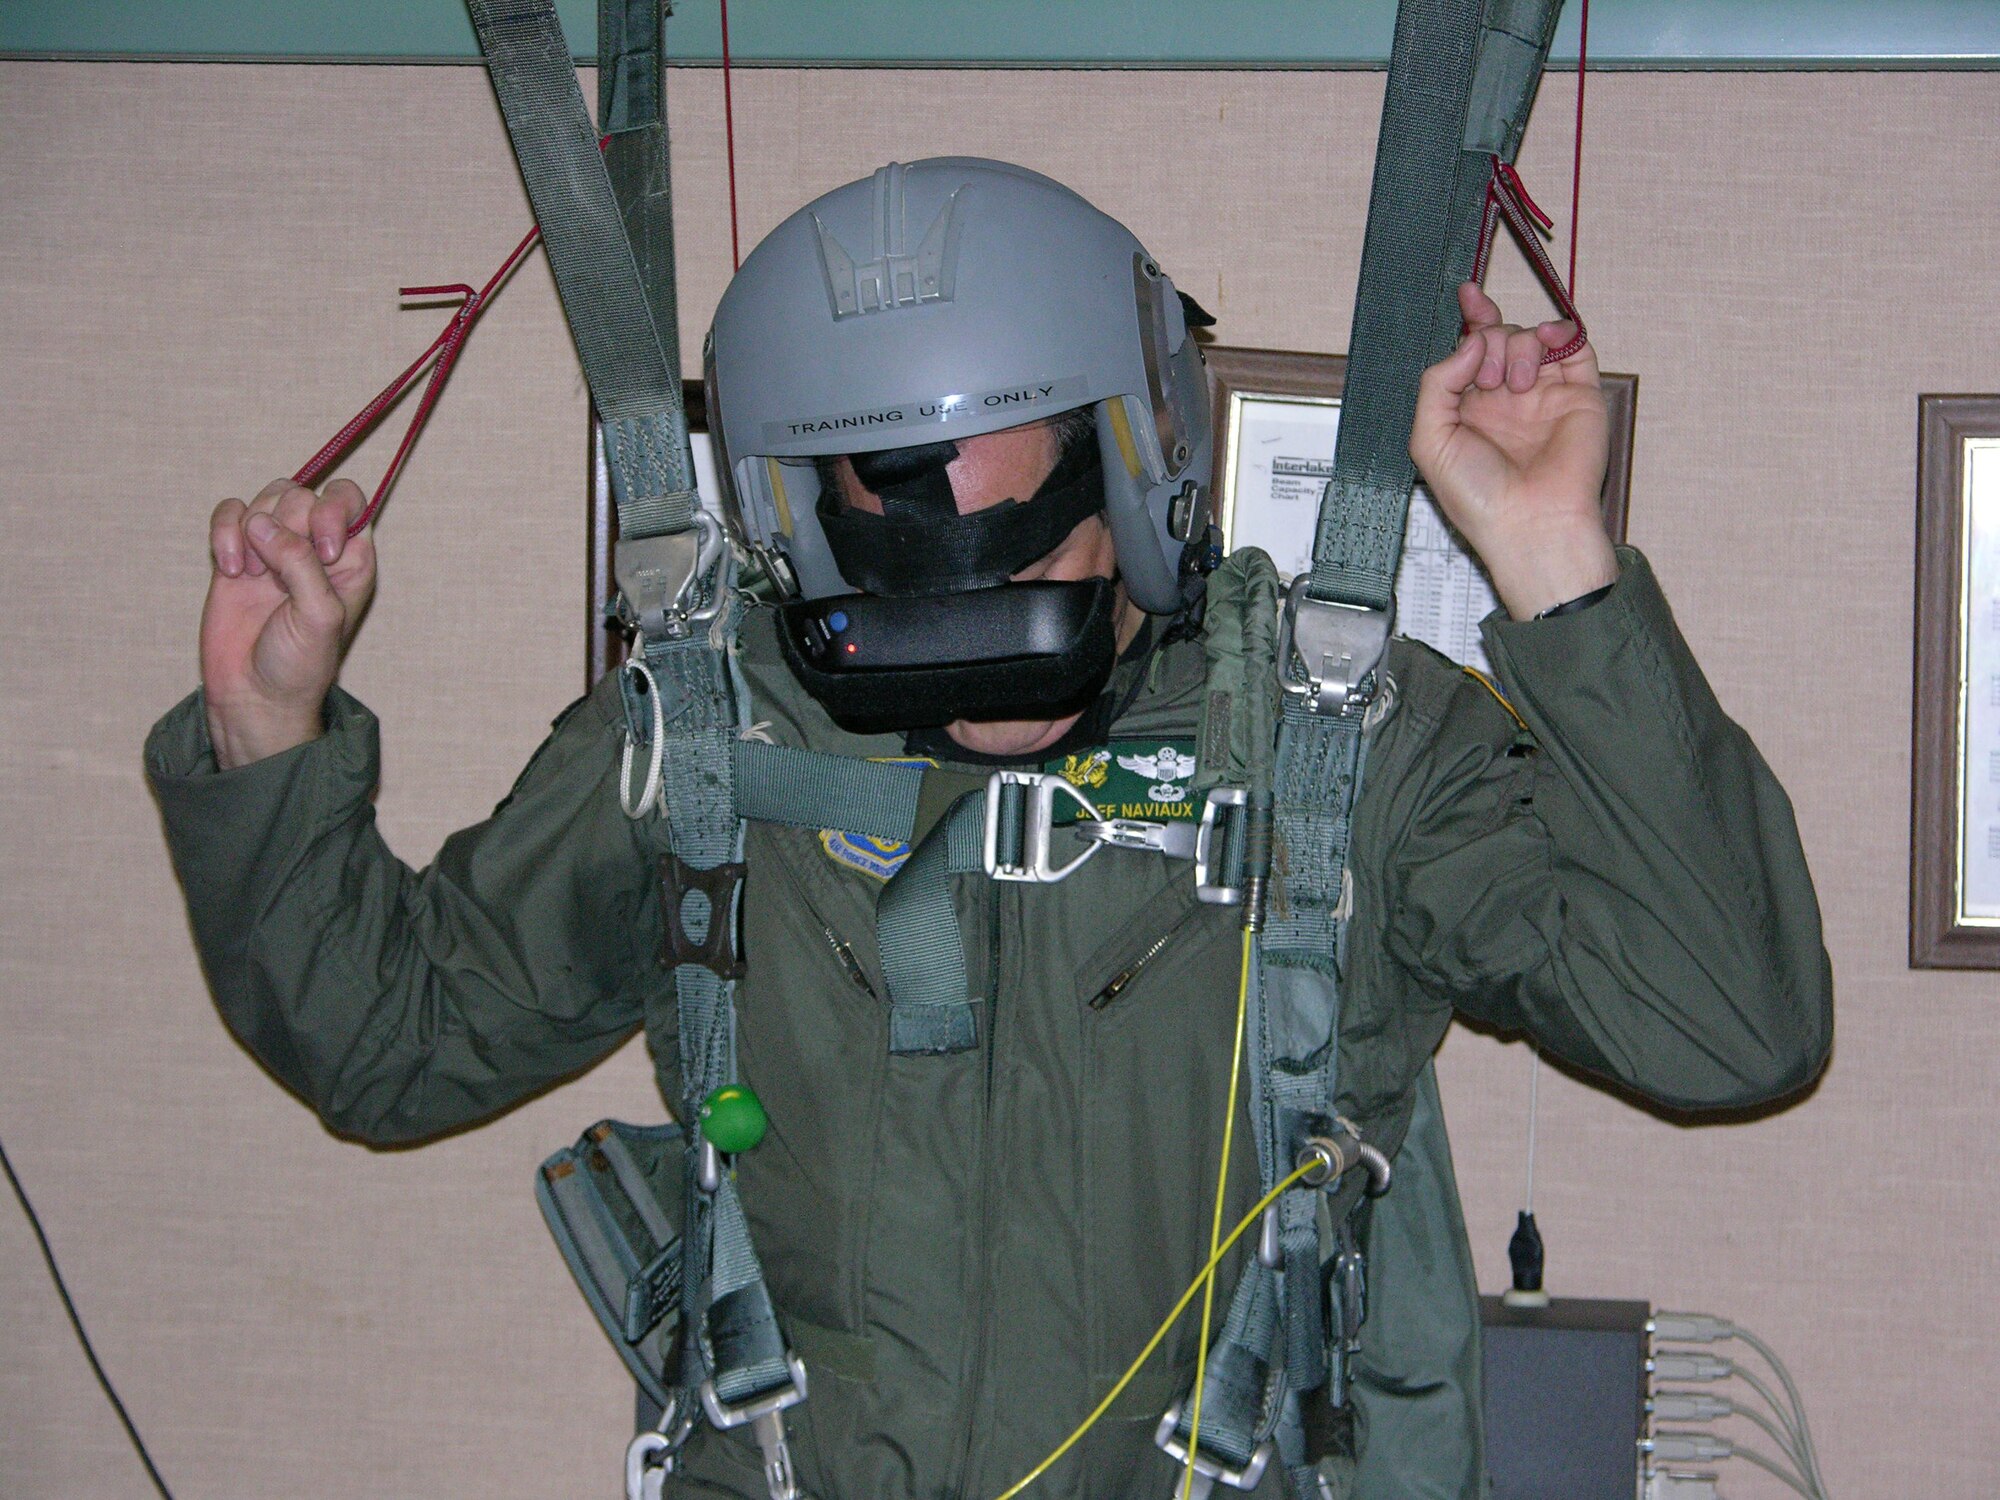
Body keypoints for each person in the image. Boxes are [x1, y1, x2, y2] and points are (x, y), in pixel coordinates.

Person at [148, 159, 1831, 1498]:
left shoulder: (1339, 747)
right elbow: (394, 1044)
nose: (977, 636)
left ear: (1145, 464)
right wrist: (266, 726)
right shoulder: (717, 738)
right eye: (895, 565)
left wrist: (1555, 566)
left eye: (1027, 544)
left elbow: (1733, 1027)